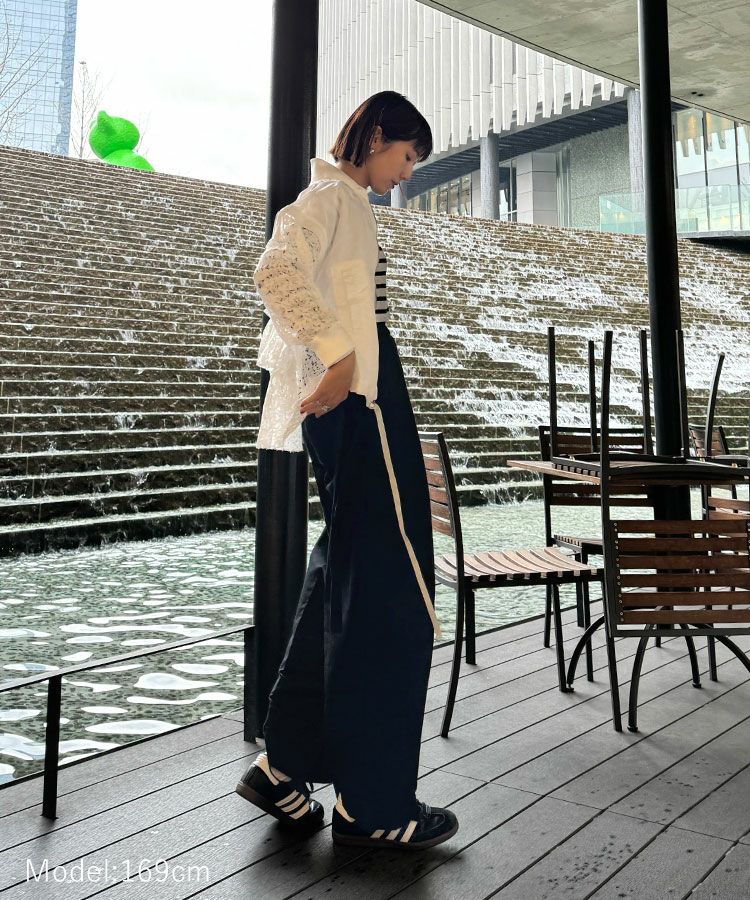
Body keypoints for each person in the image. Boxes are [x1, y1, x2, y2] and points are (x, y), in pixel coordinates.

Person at [235, 91, 458, 851]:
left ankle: (283, 765)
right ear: (377, 136)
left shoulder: (345, 201)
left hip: (360, 405)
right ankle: (373, 802)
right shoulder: (331, 197)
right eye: (407, 156)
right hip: (362, 408)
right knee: (393, 593)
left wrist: (340, 357)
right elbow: (275, 271)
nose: (407, 173)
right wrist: (336, 355)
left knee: (345, 580)